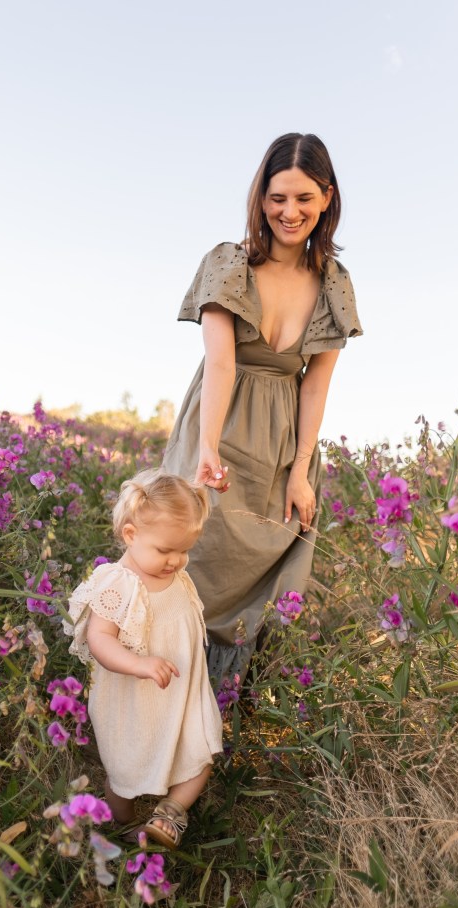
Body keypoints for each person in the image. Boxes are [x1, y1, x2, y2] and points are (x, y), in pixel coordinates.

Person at [161, 132, 363, 682]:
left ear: (326, 197)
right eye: (277, 198)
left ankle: (226, 714)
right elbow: (221, 364)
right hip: (218, 423)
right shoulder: (230, 262)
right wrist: (206, 450)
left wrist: (301, 472)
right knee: (191, 550)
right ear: (260, 196)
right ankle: (159, 689)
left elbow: (316, 384)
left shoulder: (333, 284)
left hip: (283, 446)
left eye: (303, 198)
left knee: (270, 572)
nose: (289, 212)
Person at [64, 469, 223, 849]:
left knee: (201, 754)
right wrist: (139, 664)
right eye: (165, 551)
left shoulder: (178, 576)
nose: (176, 561)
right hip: (134, 703)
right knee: (126, 775)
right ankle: (122, 823)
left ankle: (170, 811)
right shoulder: (118, 583)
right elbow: (99, 638)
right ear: (131, 535)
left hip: (181, 694)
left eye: (184, 550)